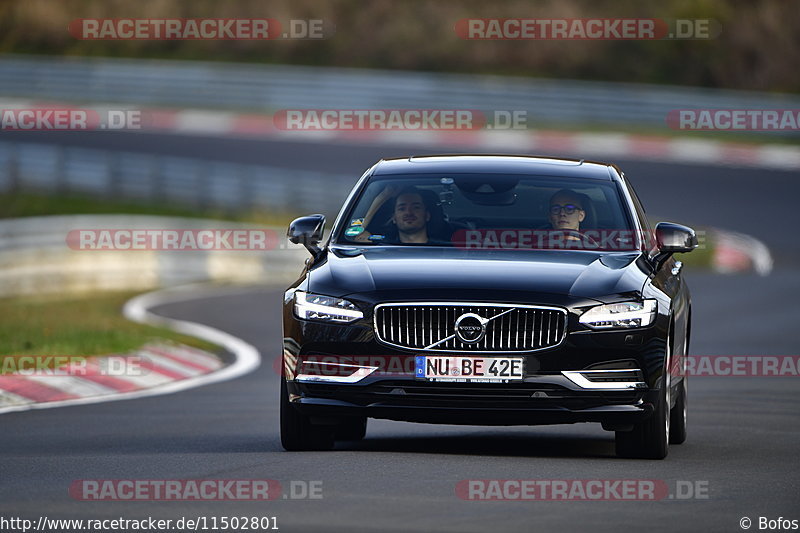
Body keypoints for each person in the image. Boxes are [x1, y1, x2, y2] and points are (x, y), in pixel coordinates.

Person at [353, 186, 431, 244]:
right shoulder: (380, 249)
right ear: (394, 218)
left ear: (427, 215)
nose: (408, 212)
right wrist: (384, 195)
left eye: (416, 207)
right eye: (402, 208)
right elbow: (353, 234)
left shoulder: (442, 251)